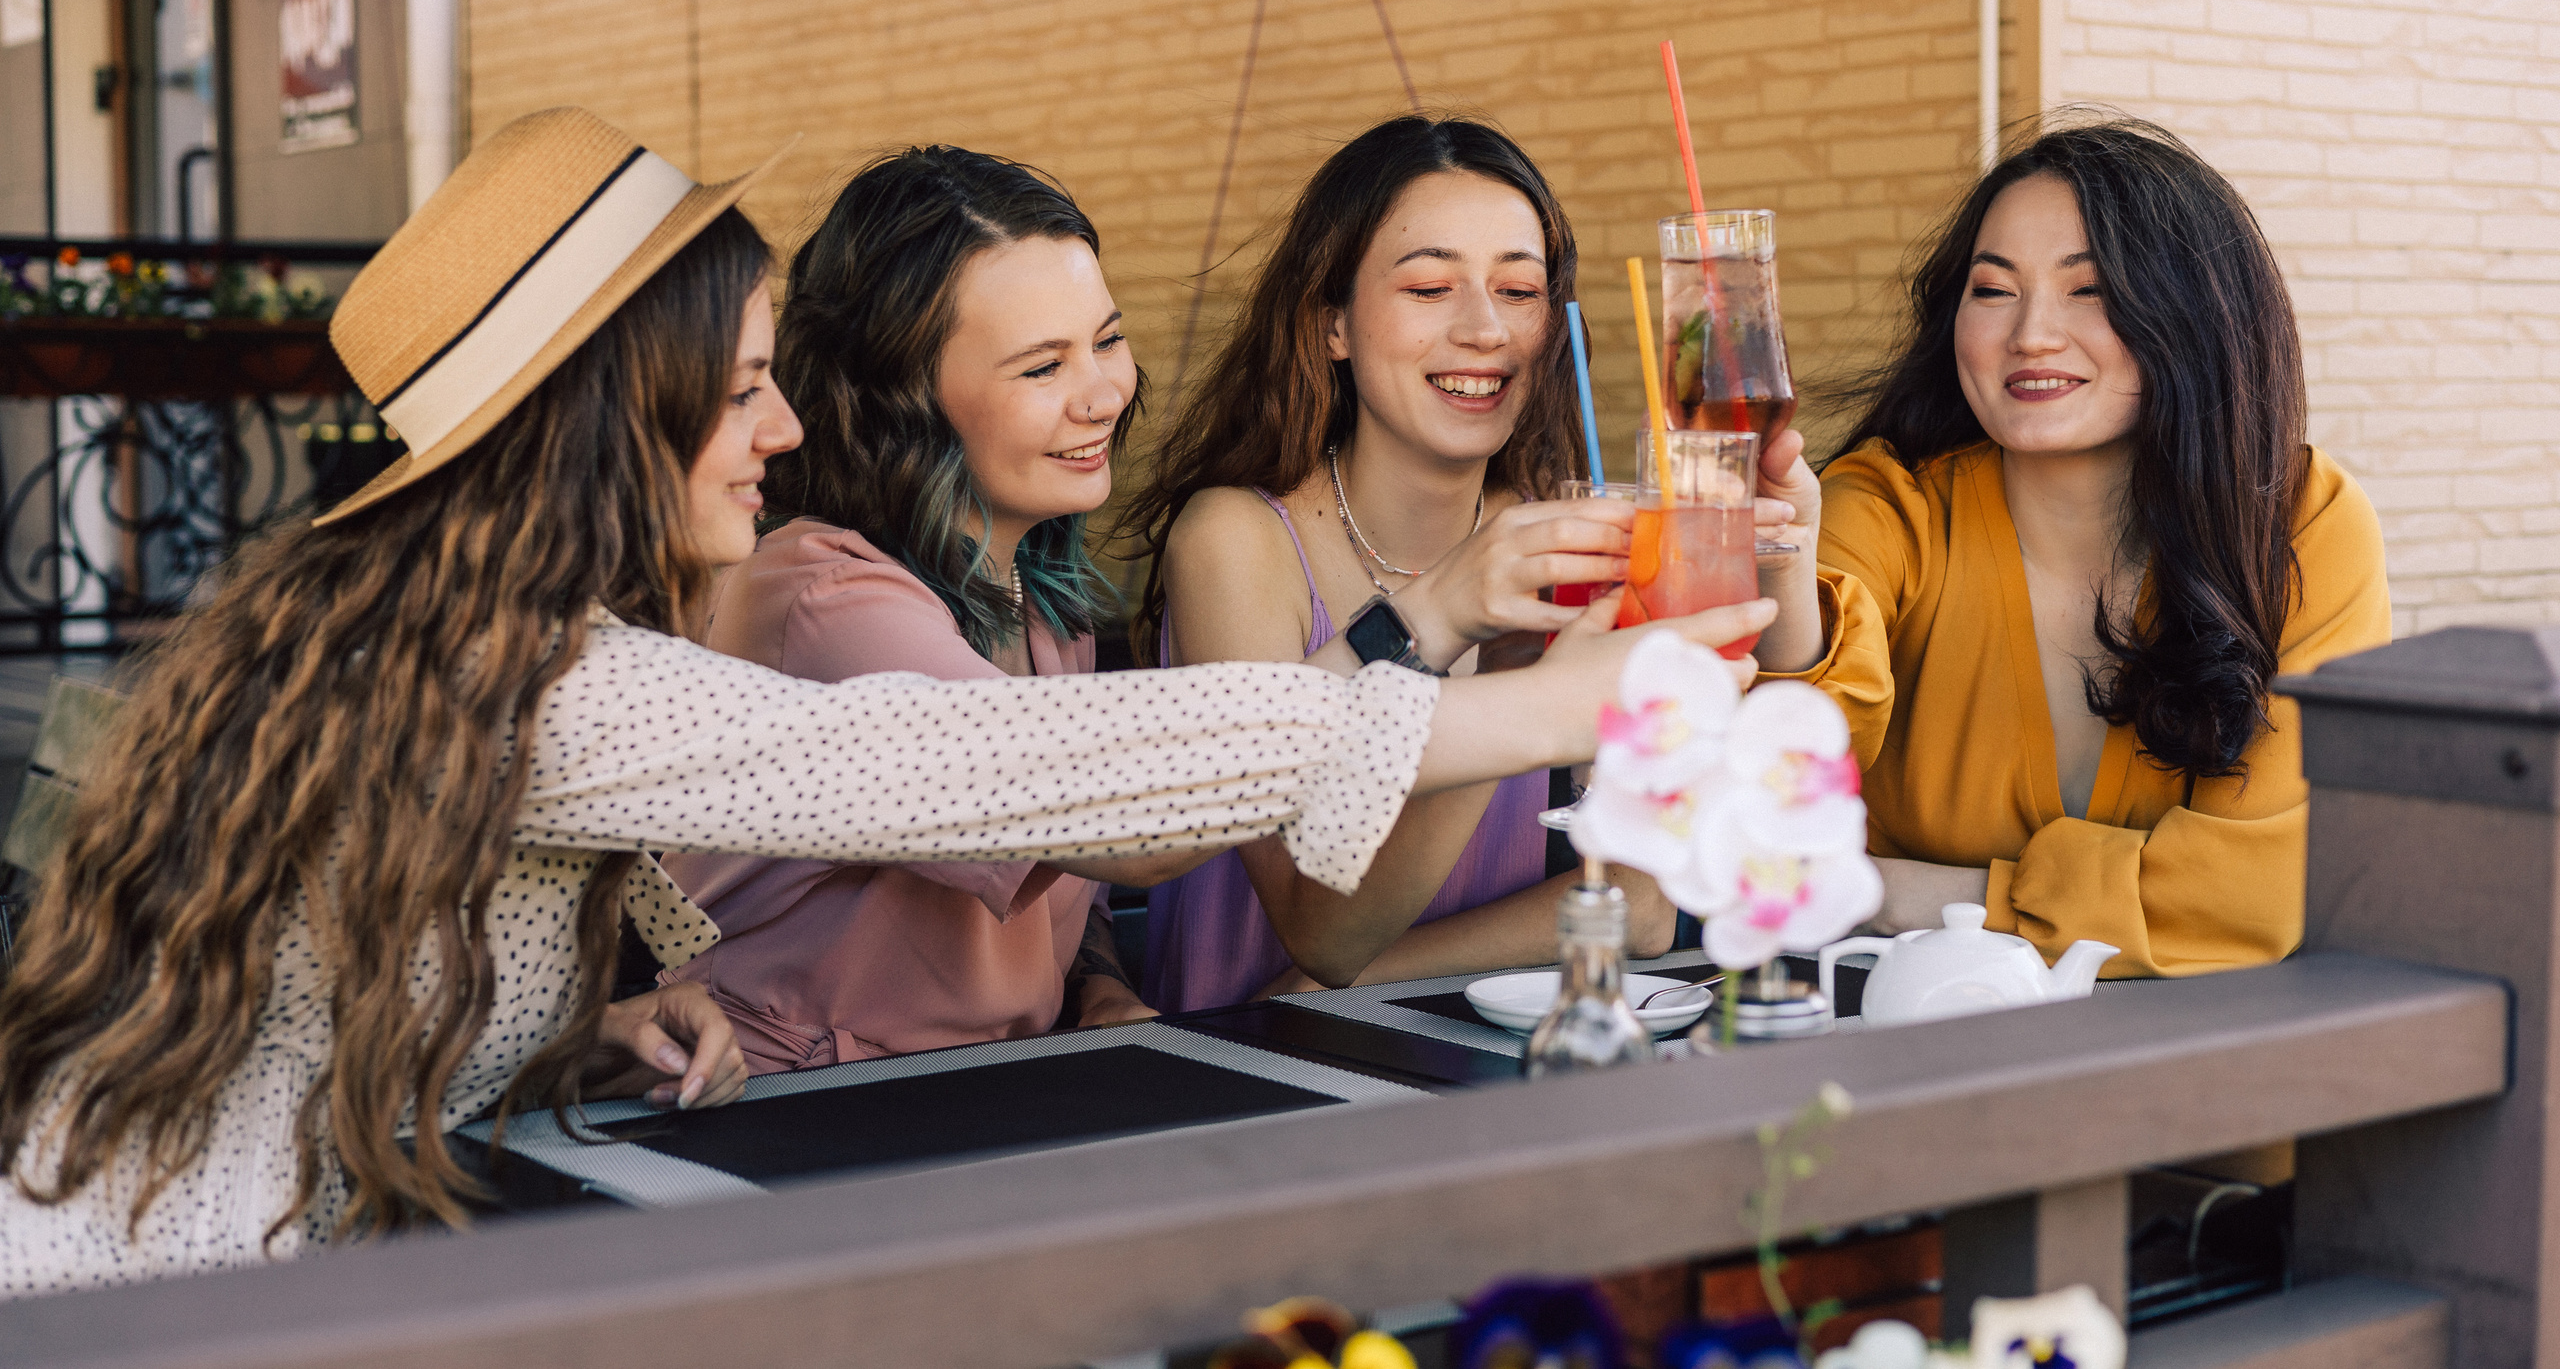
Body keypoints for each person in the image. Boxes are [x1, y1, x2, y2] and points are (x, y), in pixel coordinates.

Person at [0, 109, 1772, 1295]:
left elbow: (361, 973)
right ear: (617, 418)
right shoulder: (546, 677)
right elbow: (1004, 772)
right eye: (742, 389)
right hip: (176, 1297)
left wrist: (558, 1030)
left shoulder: (452, 635)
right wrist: (1557, 698)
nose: (777, 431)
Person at [1126, 115, 1866, 1010]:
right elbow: (1323, 934)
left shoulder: (1567, 532)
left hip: (1493, 1061)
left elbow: (1642, 901)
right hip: (1249, 1084)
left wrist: (1782, 555)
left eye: (1518, 290)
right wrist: (1510, 680)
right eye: (1431, 286)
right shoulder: (1236, 541)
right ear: (1333, 325)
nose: (1484, 329)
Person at [663, 147, 1203, 1067]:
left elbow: (1080, 880)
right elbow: (1123, 824)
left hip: (971, 1095)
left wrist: (1095, 980)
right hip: (788, 1117)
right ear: (903, 404)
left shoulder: (1039, 591)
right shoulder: (824, 599)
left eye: (1107, 340)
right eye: (1042, 367)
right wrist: (1417, 632)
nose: (1105, 394)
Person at [1818, 114, 2392, 976]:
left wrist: (1904, 893)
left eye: (2088, 289)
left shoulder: (2303, 523)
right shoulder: (1885, 503)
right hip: (1912, 1051)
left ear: (2190, 316)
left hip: (2205, 1068)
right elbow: (1784, 751)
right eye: (1993, 288)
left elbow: (2263, 894)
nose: (2031, 334)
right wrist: (1781, 575)